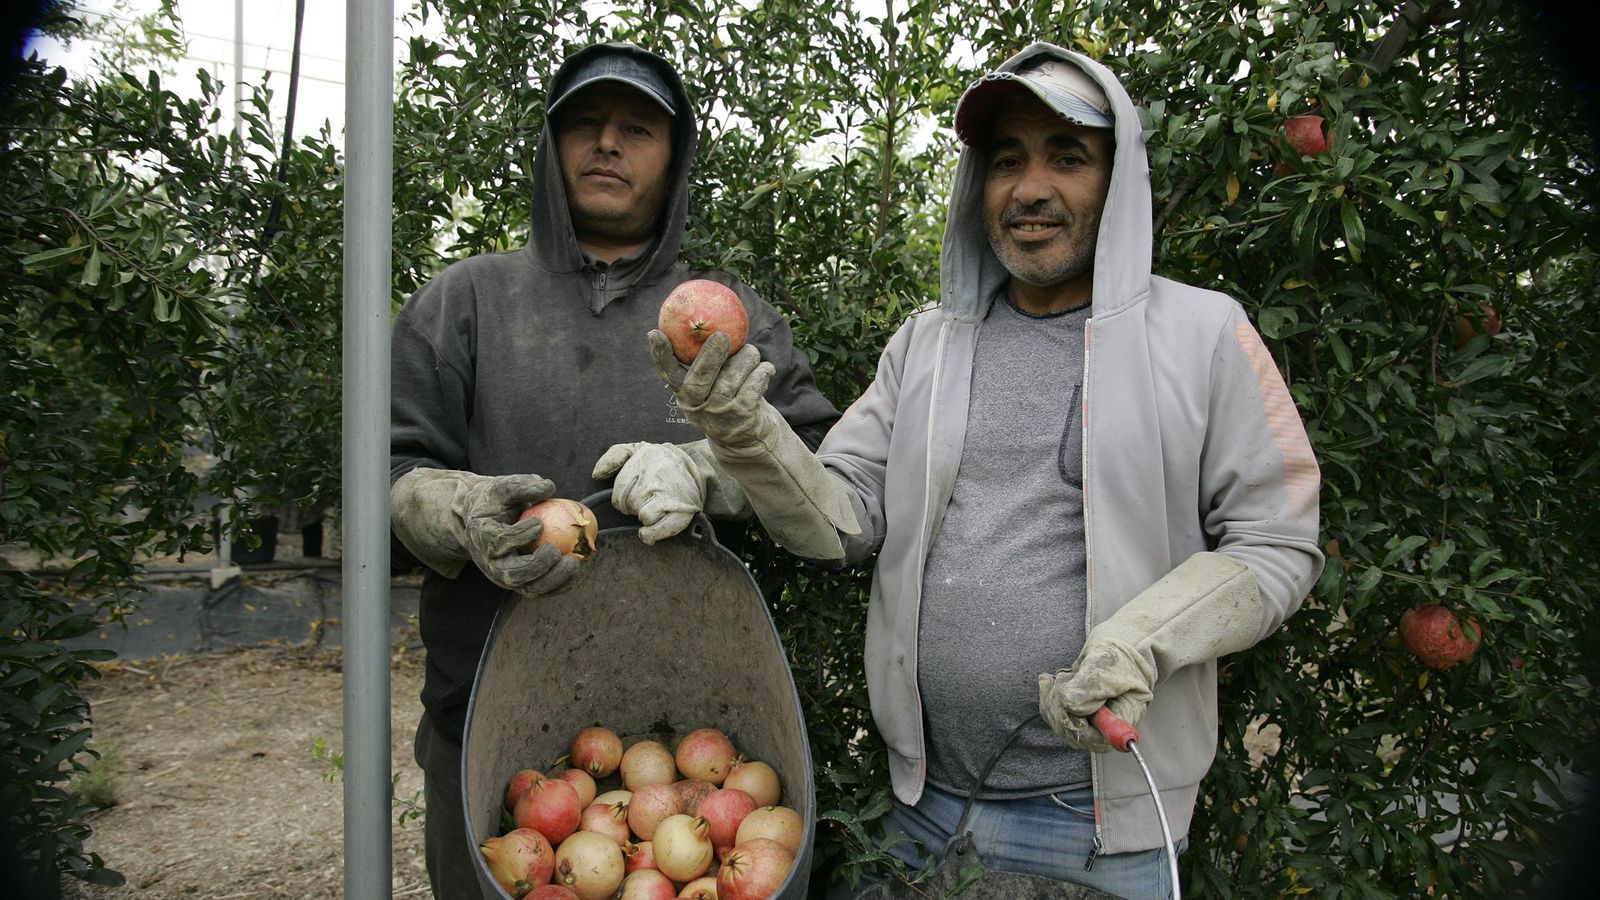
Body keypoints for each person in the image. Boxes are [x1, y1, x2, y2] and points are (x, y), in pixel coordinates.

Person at [648, 42, 1323, 897]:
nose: (1030, 188)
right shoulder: (926, 344)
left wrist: (1144, 640)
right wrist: (744, 434)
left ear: (1118, 181)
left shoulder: (1204, 337)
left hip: (1094, 825)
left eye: (1067, 157)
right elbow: (841, 520)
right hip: (922, 804)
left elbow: (1278, 544)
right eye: (1007, 160)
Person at [387, 42, 839, 899]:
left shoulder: (725, 316)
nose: (608, 144)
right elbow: (391, 475)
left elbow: (816, 474)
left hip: (699, 760)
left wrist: (709, 466)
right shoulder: (465, 303)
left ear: (673, 161)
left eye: (637, 128)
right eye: (585, 125)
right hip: (492, 736)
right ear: (550, 150)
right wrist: (455, 510)